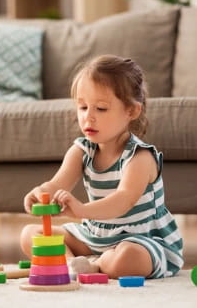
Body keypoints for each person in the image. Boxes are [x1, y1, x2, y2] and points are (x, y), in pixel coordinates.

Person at [20, 54, 183, 279]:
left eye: (101, 109)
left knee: (129, 259)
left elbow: (123, 200)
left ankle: (98, 264)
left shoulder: (140, 156)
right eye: (83, 107)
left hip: (140, 239)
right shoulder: (81, 150)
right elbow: (57, 183)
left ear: (131, 111)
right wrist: (40, 194)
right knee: (31, 234)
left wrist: (82, 210)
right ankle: (73, 265)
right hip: (94, 235)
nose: (89, 117)